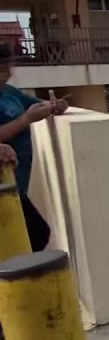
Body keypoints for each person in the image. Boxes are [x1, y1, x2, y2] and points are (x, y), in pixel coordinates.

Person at [0, 43, 67, 251]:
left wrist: (56, 105)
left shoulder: (9, 92)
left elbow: (40, 105)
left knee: (32, 235)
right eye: (2, 69)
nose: (8, 74)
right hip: (4, 184)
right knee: (35, 234)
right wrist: (26, 120)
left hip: (16, 183)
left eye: (8, 68)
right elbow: (27, 116)